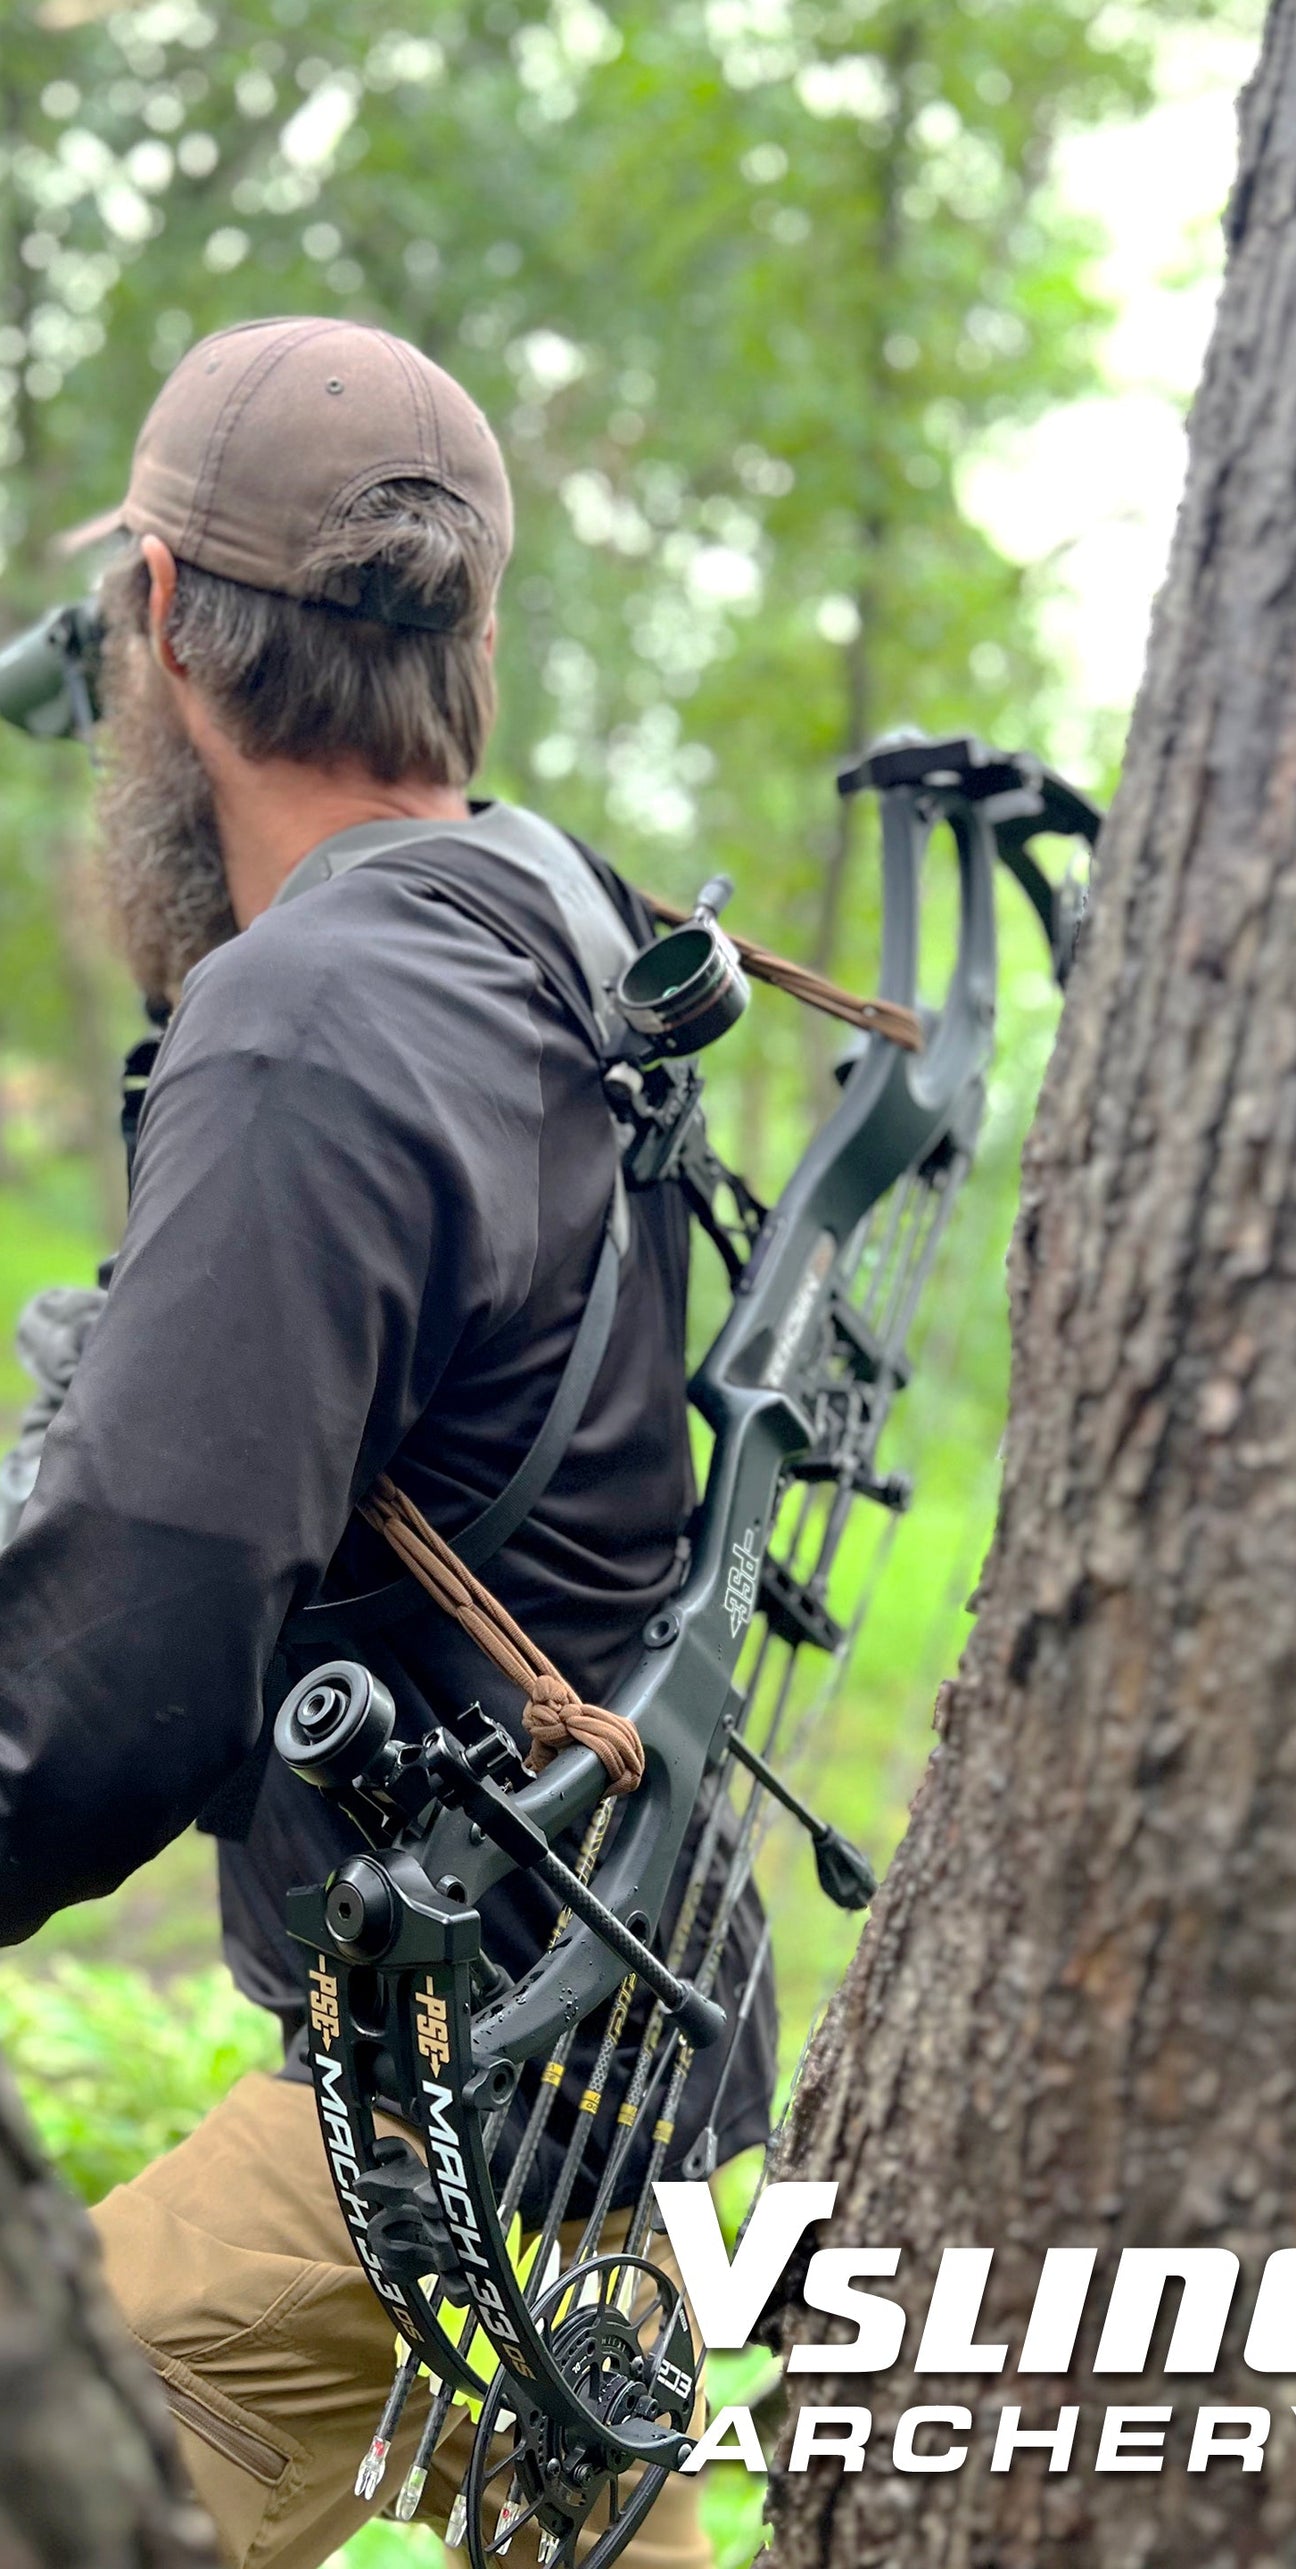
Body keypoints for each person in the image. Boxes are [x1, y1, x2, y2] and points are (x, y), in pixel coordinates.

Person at [0, 316, 775, 2569]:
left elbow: (114, 1678)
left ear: (161, 623)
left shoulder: (305, 1027)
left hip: (457, 2101)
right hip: (608, 2048)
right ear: (472, 643)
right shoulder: (546, 915)